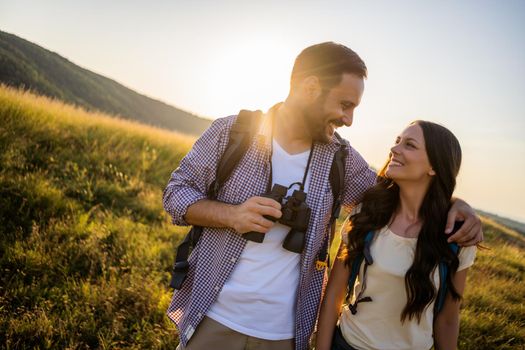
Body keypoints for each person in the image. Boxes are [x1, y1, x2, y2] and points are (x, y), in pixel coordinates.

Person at [162, 42, 482, 350]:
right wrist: (231, 215)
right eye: (345, 105)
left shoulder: (341, 159)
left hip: (286, 334)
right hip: (212, 318)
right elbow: (175, 194)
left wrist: (456, 204)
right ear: (310, 87)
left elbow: (399, 195)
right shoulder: (231, 133)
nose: (348, 119)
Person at [315, 121, 476, 350]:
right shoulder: (367, 214)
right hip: (348, 344)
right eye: (397, 141)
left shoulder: (456, 236)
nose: (394, 149)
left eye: (409, 145)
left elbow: (448, 320)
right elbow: (333, 296)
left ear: (434, 166)